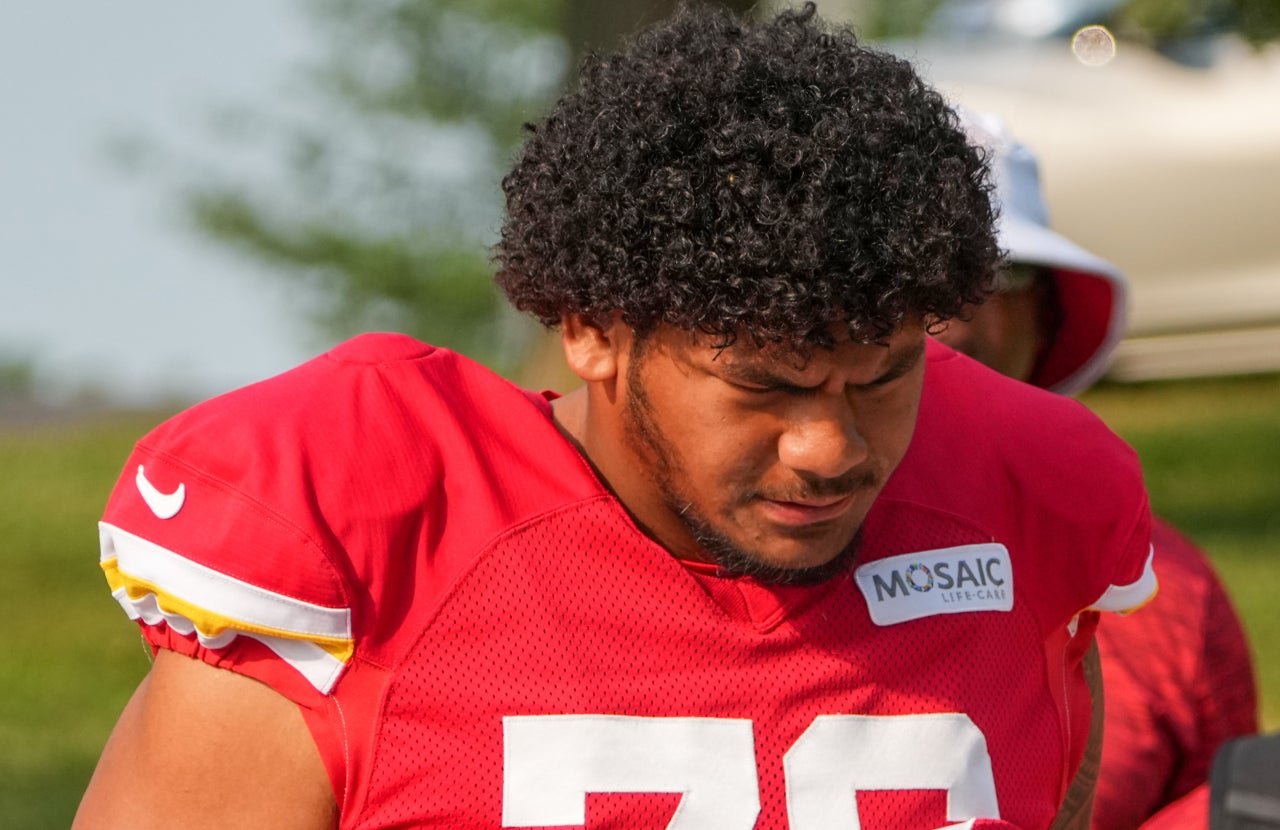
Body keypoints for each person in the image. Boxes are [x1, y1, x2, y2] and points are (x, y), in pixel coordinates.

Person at [75, 6, 1157, 829]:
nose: (828, 446)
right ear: (592, 328)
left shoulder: (1025, 490)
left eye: (877, 375)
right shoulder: (371, 518)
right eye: (763, 385)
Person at [935, 111, 1259, 830]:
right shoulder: (720, 560)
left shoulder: (1165, 587)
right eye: (902, 280)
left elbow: (1237, 803)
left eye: (993, 272)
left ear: (1047, 315)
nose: (946, 320)